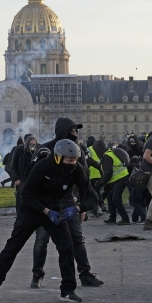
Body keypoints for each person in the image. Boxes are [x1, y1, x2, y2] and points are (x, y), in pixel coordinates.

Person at [0, 140, 98, 303]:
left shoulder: (76, 170)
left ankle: (68, 290)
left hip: (55, 209)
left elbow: (91, 195)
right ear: (59, 158)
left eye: (74, 160)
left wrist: (79, 208)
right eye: (68, 160)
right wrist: (46, 212)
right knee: (13, 246)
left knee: (66, 247)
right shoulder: (43, 166)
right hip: (32, 210)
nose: (72, 164)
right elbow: (27, 194)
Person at [30, 118, 104, 288]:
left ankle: (85, 274)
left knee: (77, 238)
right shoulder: (44, 149)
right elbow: (31, 180)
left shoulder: (78, 152)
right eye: (72, 130)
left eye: (76, 131)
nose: (76, 134)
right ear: (63, 131)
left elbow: (83, 180)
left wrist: (82, 207)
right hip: (46, 201)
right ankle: (37, 275)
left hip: (68, 199)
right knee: (42, 239)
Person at [95, 147, 130, 225]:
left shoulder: (106, 157)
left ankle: (125, 219)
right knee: (110, 197)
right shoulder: (110, 153)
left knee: (115, 198)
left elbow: (108, 173)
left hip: (121, 178)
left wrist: (100, 183)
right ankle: (112, 218)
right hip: (118, 179)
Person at [10, 135, 38, 211]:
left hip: (32, 178)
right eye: (31, 144)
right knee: (20, 196)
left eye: (34, 144)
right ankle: (19, 214)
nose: (32, 146)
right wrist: (16, 178)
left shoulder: (35, 152)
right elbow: (13, 165)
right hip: (21, 177)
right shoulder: (19, 150)